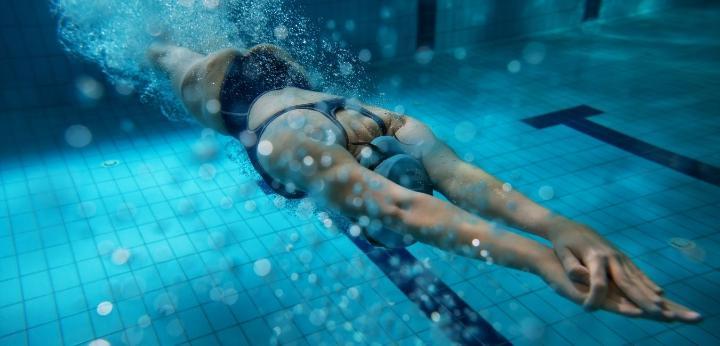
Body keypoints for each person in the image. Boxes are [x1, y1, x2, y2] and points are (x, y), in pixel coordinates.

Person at [147, 42, 702, 323]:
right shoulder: (300, 144)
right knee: (173, 59)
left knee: (198, 52)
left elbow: (459, 180)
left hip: (286, 85)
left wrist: (558, 226)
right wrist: (540, 254)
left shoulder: (377, 121)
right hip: (234, 96)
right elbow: (407, 210)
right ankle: (154, 47)